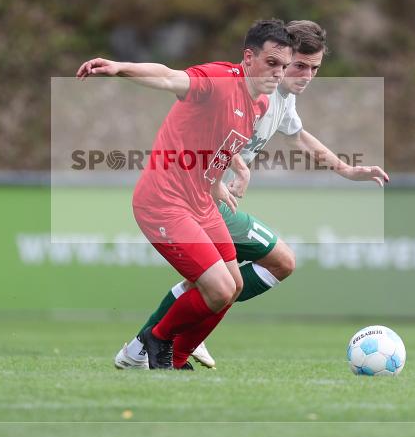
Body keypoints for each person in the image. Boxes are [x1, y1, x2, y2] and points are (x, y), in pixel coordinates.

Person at [115, 20, 389, 370]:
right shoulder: (255, 90)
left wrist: (346, 169)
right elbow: (202, 121)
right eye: (299, 66)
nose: (305, 76)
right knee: (223, 280)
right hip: (200, 197)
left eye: (315, 69)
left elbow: (297, 137)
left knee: (261, 269)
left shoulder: (282, 97)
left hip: (214, 196)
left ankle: (161, 343)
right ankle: (155, 344)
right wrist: (232, 173)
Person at [77, 19, 295, 369]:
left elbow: (217, 139)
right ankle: (155, 339)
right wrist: (120, 68)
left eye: (284, 66)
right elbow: (167, 76)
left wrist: (230, 172)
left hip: (200, 202)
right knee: (219, 289)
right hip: (163, 201)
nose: (278, 73)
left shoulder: (260, 105)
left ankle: (175, 357)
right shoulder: (221, 81)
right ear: (248, 57)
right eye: (271, 63)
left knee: (233, 287)